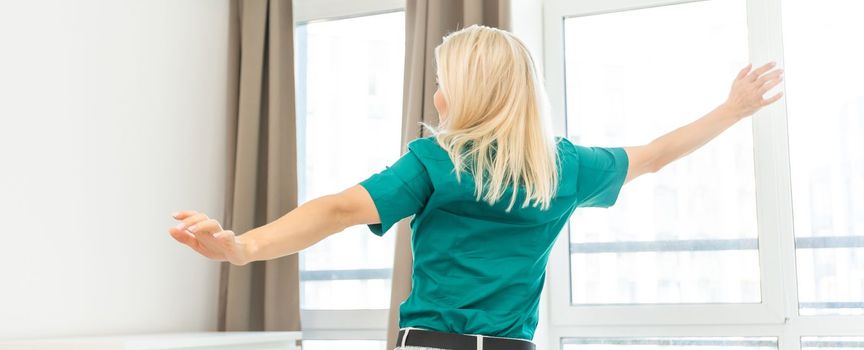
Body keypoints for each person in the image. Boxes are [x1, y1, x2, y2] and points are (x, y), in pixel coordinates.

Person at [168, 24, 783, 350]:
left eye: (441, 83)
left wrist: (243, 247)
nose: (435, 95)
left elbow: (335, 210)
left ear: (465, 94)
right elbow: (652, 157)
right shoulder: (561, 168)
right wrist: (731, 109)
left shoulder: (435, 163)